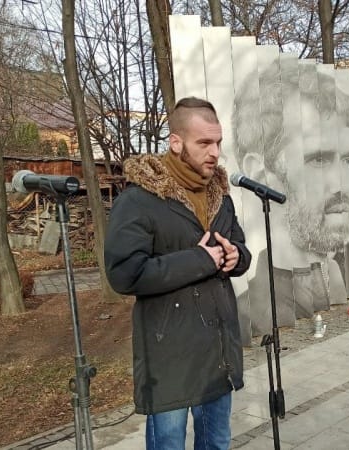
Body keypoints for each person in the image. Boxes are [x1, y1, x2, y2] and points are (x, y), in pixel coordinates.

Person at [104, 97, 252, 449]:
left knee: (216, 444)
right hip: (168, 354)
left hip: (218, 351)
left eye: (217, 142)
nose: (214, 152)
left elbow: (239, 247)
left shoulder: (221, 197)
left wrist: (236, 257)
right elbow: (125, 274)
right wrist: (201, 260)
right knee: (169, 445)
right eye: (203, 143)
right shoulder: (140, 200)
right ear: (176, 142)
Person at [232, 66, 349, 338]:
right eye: (319, 160)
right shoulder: (244, 314)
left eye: (348, 160)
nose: (342, 184)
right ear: (260, 174)